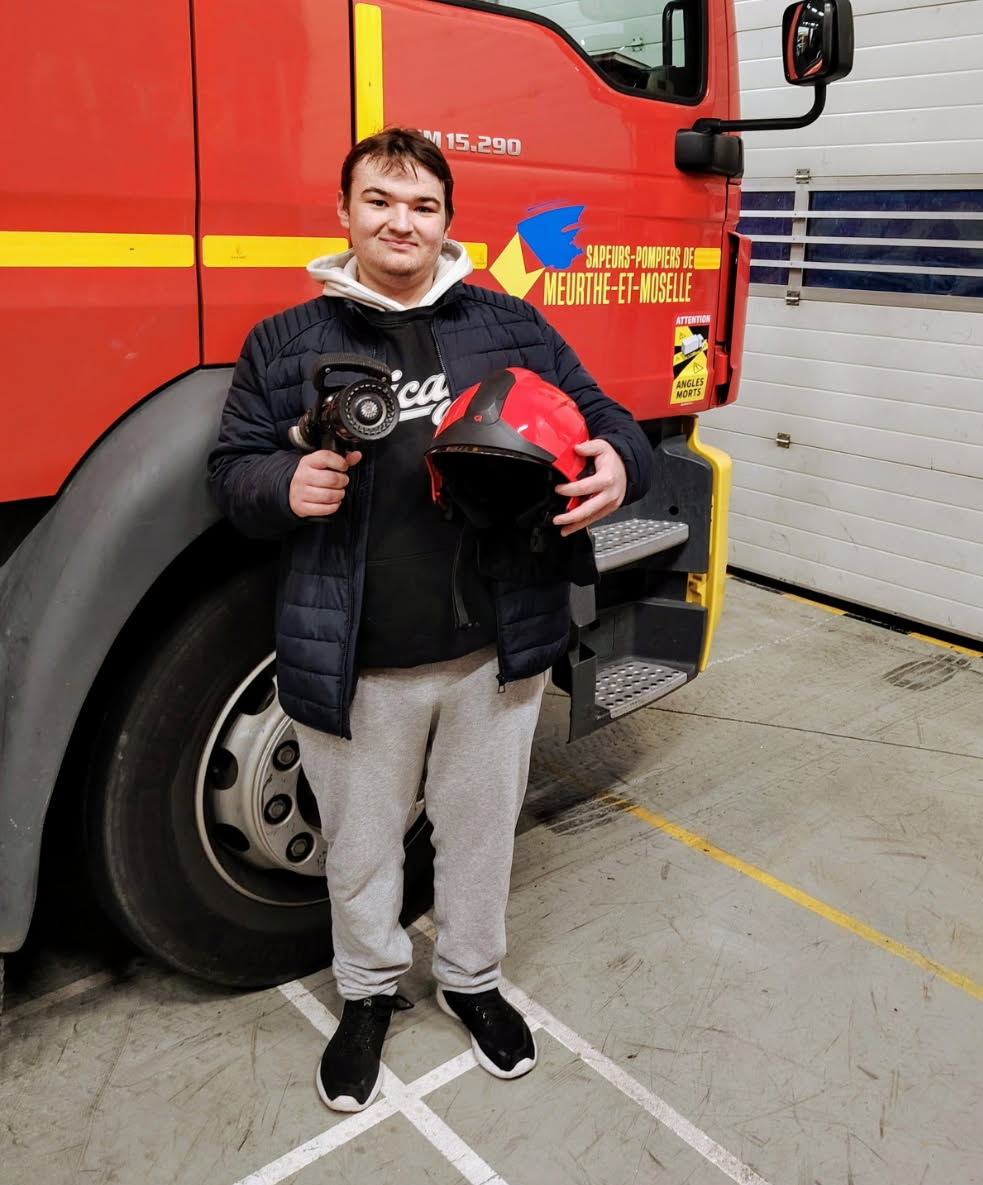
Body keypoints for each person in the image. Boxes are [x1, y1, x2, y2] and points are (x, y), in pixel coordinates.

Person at [208, 127, 652, 1112]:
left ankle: (470, 979)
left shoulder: (511, 323)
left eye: (421, 205)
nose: (399, 222)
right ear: (344, 212)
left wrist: (621, 464)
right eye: (378, 200)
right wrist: (284, 483)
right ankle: (367, 992)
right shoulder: (284, 343)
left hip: (493, 647)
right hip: (359, 657)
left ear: (449, 221)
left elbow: (603, 416)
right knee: (361, 846)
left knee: (480, 834)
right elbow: (230, 471)